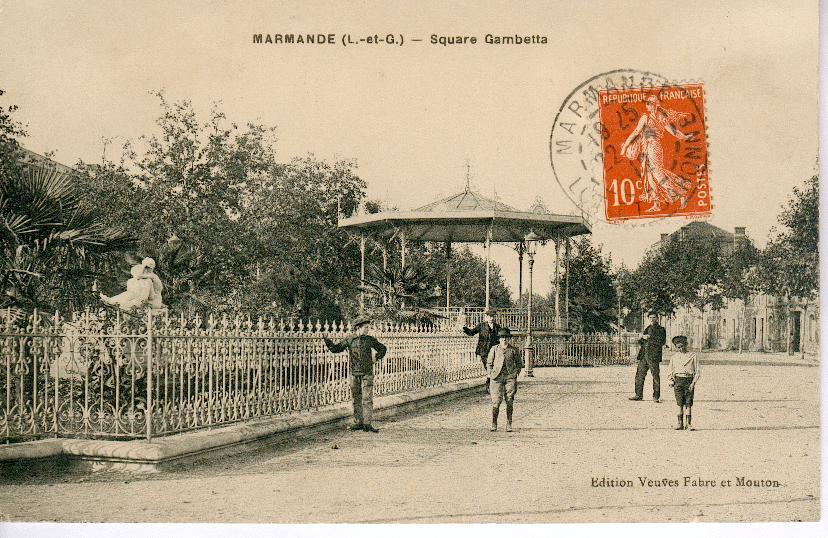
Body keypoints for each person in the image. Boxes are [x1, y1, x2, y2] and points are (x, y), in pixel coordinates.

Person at [620, 95, 695, 212]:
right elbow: (637, 131)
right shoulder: (654, 117)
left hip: (653, 147)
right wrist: (685, 136)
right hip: (647, 148)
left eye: (650, 103)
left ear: (655, 105)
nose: (648, 106)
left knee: (658, 174)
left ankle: (681, 193)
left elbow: (673, 131)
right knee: (650, 176)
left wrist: (625, 146)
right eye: (647, 103)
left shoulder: (653, 118)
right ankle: (656, 204)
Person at [323, 317, 387, 433]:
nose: (368, 329)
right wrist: (327, 340)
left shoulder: (370, 339)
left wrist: (376, 357)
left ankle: (367, 424)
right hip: (354, 373)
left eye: (368, 327)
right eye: (366, 327)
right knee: (356, 398)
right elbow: (336, 349)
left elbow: (383, 348)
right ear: (358, 327)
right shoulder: (350, 339)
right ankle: (359, 422)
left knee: (367, 399)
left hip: (367, 373)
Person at [486, 327, 524, 432]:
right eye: (502, 337)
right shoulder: (494, 349)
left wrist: (515, 373)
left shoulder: (513, 350)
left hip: (509, 378)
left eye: (506, 337)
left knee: (509, 400)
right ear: (499, 339)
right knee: (496, 401)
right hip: (496, 378)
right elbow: (489, 363)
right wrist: (490, 374)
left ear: (509, 339)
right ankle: (494, 423)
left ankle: (509, 423)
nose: (504, 340)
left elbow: (519, 364)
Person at [630, 313, 667, 402]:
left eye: (654, 317)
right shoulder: (647, 328)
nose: (652, 319)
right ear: (648, 318)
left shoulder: (661, 329)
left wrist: (649, 338)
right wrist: (640, 338)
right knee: (639, 375)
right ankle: (638, 395)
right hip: (643, 355)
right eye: (650, 317)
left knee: (655, 376)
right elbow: (642, 342)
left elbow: (661, 342)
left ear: (657, 318)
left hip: (653, 356)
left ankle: (656, 397)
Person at [463, 309, 501, 392]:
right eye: (490, 316)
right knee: (488, 366)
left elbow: (500, 338)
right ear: (486, 317)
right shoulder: (481, 326)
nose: (491, 318)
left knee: (494, 367)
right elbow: (471, 333)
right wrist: (465, 328)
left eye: (493, 316)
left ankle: (490, 384)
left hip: (494, 350)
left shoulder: (497, 327)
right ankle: (489, 384)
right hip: (484, 350)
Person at [668, 335, 700, 430]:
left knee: (688, 403)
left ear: (686, 345)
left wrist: (693, 383)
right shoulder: (674, 357)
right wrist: (670, 380)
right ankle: (680, 423)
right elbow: (670, 370)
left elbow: (697, 371)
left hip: (689, 381)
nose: (681, 349)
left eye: (682, 346)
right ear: (676, 347)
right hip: (678, 381)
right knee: (679, 403)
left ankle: (688, 424)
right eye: (678, 347)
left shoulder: (693, 356)